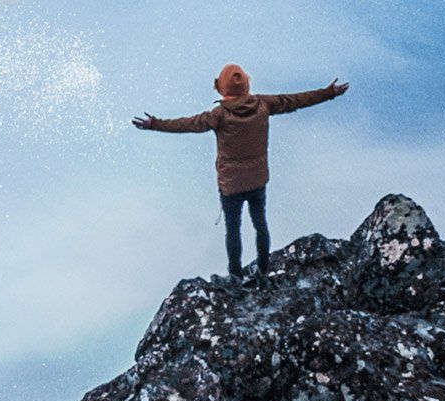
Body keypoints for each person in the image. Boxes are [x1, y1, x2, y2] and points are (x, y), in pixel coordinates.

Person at [133, 64, 349, 282]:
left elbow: (188, 124)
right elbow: (295, 100)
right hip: (258, 180)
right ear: (246, 84)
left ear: (222, 89)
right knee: (260, 225)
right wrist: (328, 93)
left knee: (233, 231)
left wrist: (155, 124)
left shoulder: (219, 115)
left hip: (231, 186)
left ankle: (236, 278)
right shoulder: (264, 104)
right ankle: (263, 273)